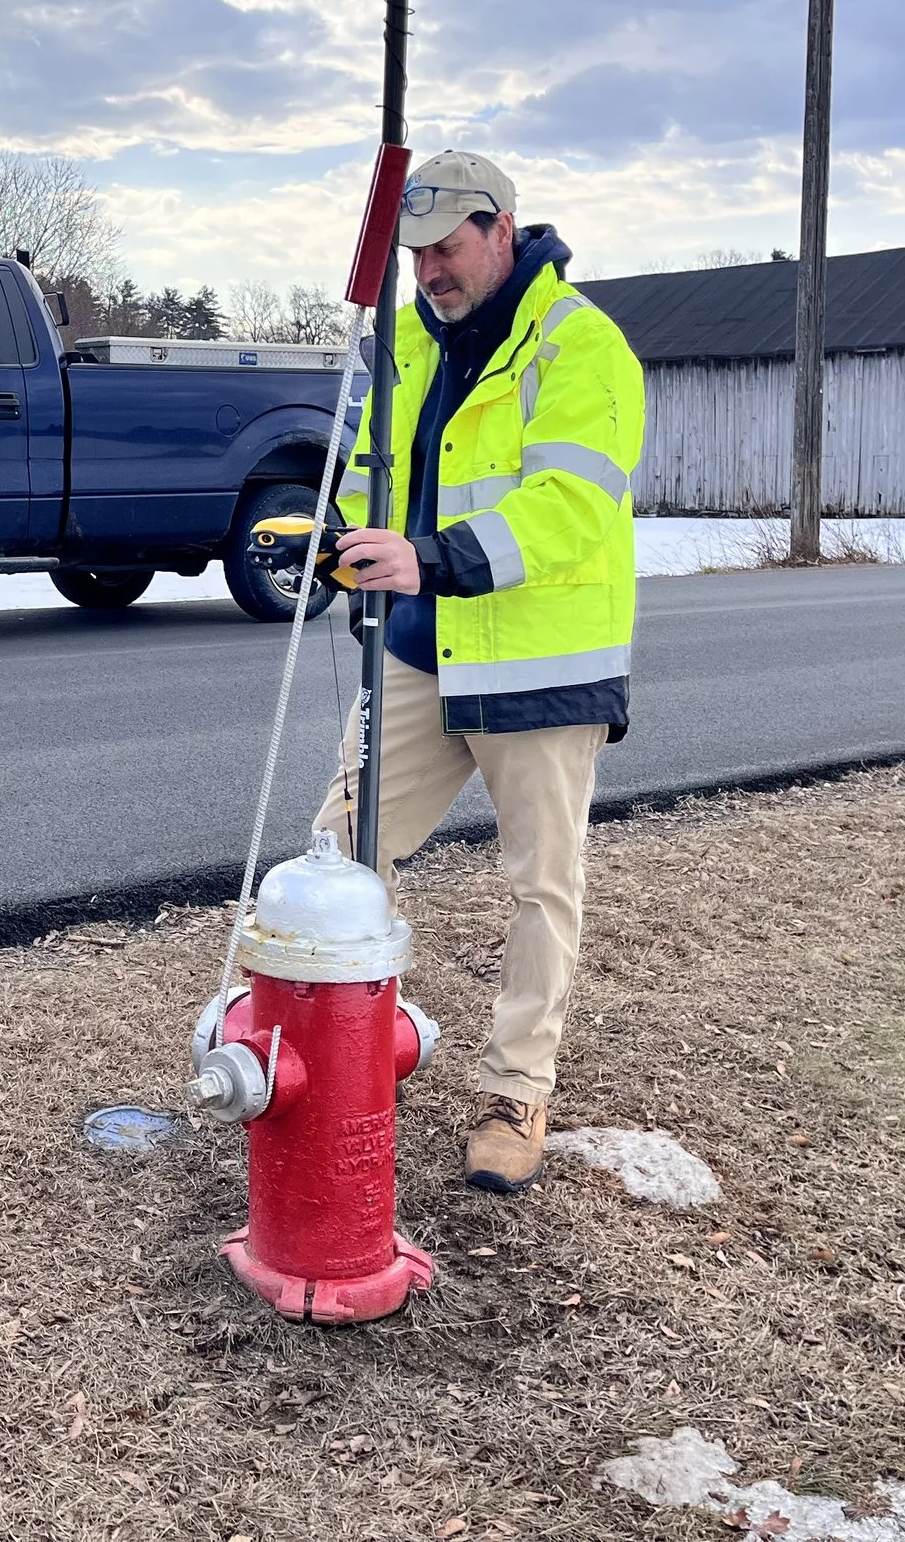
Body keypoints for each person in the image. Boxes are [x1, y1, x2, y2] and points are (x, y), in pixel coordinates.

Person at [317, 150, 644, 1194]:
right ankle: (337, 1053)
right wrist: (350, 535)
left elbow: (570, 506)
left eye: (447, 248)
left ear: (504, 229)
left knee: (541, 887)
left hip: (540, 667)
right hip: (418, 647)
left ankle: (515, 1091)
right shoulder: (408, 340)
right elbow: (379, 462)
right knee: (338, 854)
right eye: (413, 252)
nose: (427, 271)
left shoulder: (582, 347)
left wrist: (435, 558)